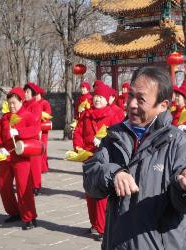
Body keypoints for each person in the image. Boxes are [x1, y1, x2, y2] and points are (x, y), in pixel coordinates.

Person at [83, 66, 186, 249]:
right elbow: (91, 180)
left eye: (141, 99)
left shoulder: (178, 143)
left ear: (162, 105)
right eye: (131, 95)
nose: (131, 103)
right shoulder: (115, 136)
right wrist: (113, 174)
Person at [73, 83, 119, 241]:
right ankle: (94, 224)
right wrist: (78, 146)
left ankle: (102, 227)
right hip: (87, 157)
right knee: (89, 191)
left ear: (107, 99)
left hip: (104, 158)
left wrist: (104, 140)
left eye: (101, 97)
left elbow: (119, 135)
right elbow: (78, 131)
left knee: (100, 193)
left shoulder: (114, 114)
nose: (98, 99)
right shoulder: (86, 114)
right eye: (96, 96)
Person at [0, 87, 40, 230]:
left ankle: (29, 217)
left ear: (21, 101)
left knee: (23, 187)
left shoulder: (27, 115)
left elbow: (35, 131)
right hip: (6, 156)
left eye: (14, 102)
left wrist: (20, 131)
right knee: (4, 186)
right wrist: (0, 147)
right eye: (10, 103)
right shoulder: (4, 118)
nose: (12, 105)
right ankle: (14, 212)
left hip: (21, 157)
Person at [23, 82, 42, 195]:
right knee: (25, 163)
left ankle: (36, 185)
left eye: (28, 92)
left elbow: (34, 120)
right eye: (24, 91)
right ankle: (27, 184)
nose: (25, 94)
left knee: (35, 163)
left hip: (33, 136)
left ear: (33, 94)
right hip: (23, 136)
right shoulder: (22, 104)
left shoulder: (36, 105)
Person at [36, 86, 52, 173]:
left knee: (43, 147)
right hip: (35, 129)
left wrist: (42, 116)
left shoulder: (45, 103)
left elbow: (48, 114)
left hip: (43, 129)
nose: (36, 95)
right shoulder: (32, 103)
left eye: (38, 94)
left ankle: (43, 167)